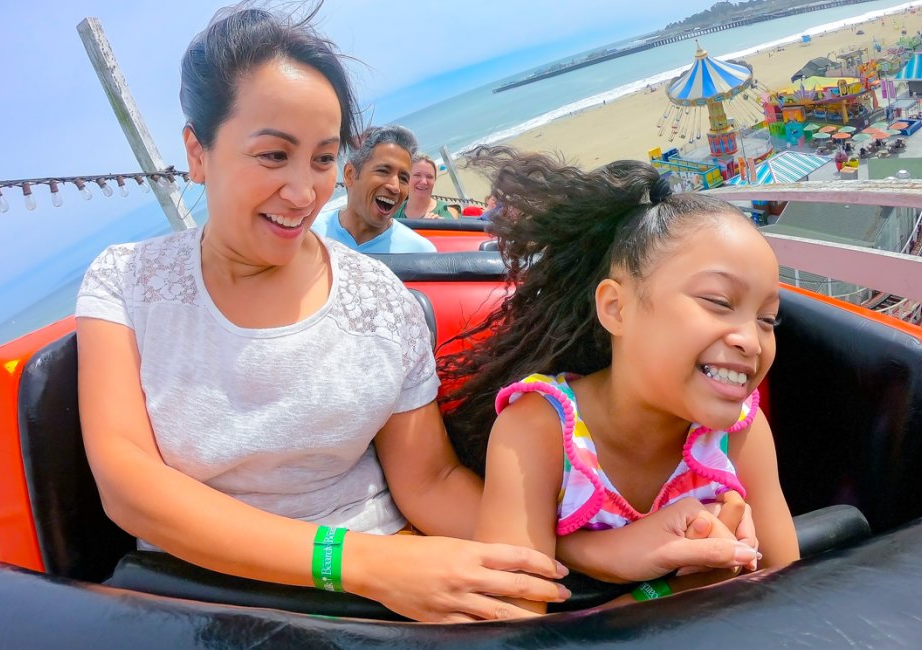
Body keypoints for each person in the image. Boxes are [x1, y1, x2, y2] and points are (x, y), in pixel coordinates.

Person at [75, 6, 760, 624]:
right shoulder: (126, 284)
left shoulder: (379, 300)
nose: (302, 189)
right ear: (198, 151)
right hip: (199, 594)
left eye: (322, 158)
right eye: (272, 155)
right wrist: (357, 565)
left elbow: (428, 483)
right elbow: (130, 485)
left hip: (391, 580)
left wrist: (596, 550)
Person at [441, 148, 799, 613]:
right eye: (717, 301)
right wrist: (674, 590)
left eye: (768, 319)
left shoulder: (740, 429)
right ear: (616, 308)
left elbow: (789, 590)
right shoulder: (539, 430)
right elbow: (513, 625)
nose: (752, 340)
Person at [312, 125, 436, 253]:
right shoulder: (310, 234)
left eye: (403, 178)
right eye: (383, 171)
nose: (395, 187)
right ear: (350, 174)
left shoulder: (419, 252)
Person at [391, 154, 460, 220]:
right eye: (417, 175)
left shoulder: (449, 212)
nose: (424, 182)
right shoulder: (392, 214)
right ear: (406, 178)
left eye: (429, 177)